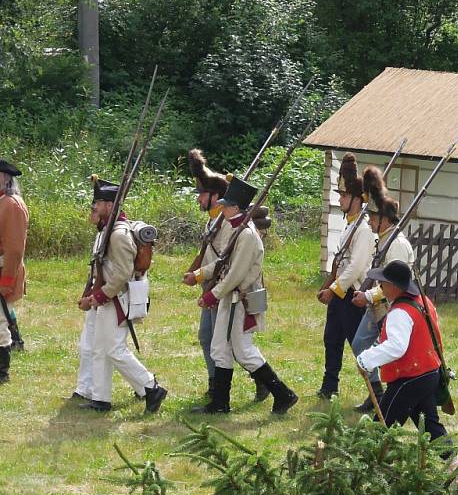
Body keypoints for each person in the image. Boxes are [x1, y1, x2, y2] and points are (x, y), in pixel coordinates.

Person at [193, 176, 297, 414]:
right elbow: (222, 264)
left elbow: (235, 274)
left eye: (226, 205)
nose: (223, 207)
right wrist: (200, 274)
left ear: (236, 208)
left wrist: (212, 295)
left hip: (238, 298)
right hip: (231, 298)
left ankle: (282, 393)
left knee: (241, 350)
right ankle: (223, 402)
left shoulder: (247, 235)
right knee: (222, 348)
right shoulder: (236, 230)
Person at [182, 149, 269, 403]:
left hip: (233, 289)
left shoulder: (230, 224)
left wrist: (210, 288)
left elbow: (230, 264)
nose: (199, 199)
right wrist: (198, 276)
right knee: (214, 339)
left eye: (202, 195)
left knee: (237, 344)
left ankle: (255, 384)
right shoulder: (215, 221)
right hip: (216, 286)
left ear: (216, 196)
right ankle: (217, 387)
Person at [74, 176, 167, 412]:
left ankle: (151, 387)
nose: (94, 206)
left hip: (118, 299)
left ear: (110, 206)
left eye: (99, 202)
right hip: (108, 297)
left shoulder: (118, 234)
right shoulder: (107, 231)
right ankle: (101, 398)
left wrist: (99, 297)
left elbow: (123, 274)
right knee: (99, 347)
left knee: (114, 349)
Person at [356, 260, 449, 443]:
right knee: (432, 428)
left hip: (409, 379)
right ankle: (456, 468)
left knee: (380, 430)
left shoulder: (400, 312)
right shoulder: (423, 301)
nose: (380, 286)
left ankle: (367, 466)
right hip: (429, 374)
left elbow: (397, 347)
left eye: (383, 283)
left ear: (393, 286)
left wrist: (365, 359)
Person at [350, 165, 415, 411]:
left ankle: (386, 393)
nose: (370, 221)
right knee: (360, 344)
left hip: (391, 305)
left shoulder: (396, 244)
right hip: (379, 303)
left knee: (390, 349)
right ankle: (376, 392)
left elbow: (394, 285)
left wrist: (367, 295)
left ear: (384, 219)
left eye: (373, 218)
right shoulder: (385, 240)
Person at [316, 153, 374, 399]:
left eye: (345, 195)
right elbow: (340, 263)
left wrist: (334, 289)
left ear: (358, 199)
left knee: (360, 345)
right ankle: (330, 386)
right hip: (341, 291)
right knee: (332, 339)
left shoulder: (363, 228)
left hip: (352, 293)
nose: (340, 199)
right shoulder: (350, 225)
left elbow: (357, 267)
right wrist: (330, 285)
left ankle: (377, 393)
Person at [0, 159, 29, 383]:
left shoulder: (12, 204)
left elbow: (14, 248)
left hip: (3, 270)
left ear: (5, 178)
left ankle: (2, 372)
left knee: (0, 322)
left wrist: (7, 280)